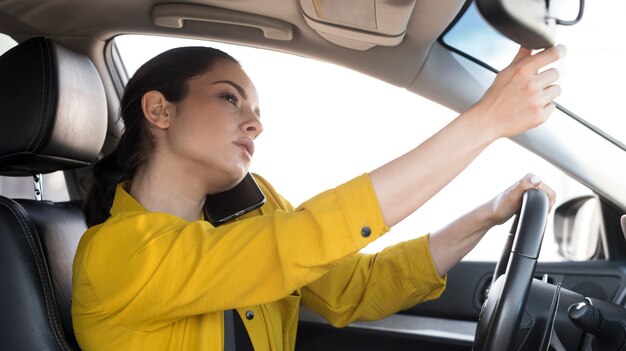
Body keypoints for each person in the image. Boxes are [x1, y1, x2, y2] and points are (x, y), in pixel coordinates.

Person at [72, 43, 563, 350]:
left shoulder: (253, 206)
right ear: (160, 110)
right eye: (229, 97)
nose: (255, 123)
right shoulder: (113, 254)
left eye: (257, 110)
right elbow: (303, 240)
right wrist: (486, 122)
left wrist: (488, 215)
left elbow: (359, 288)